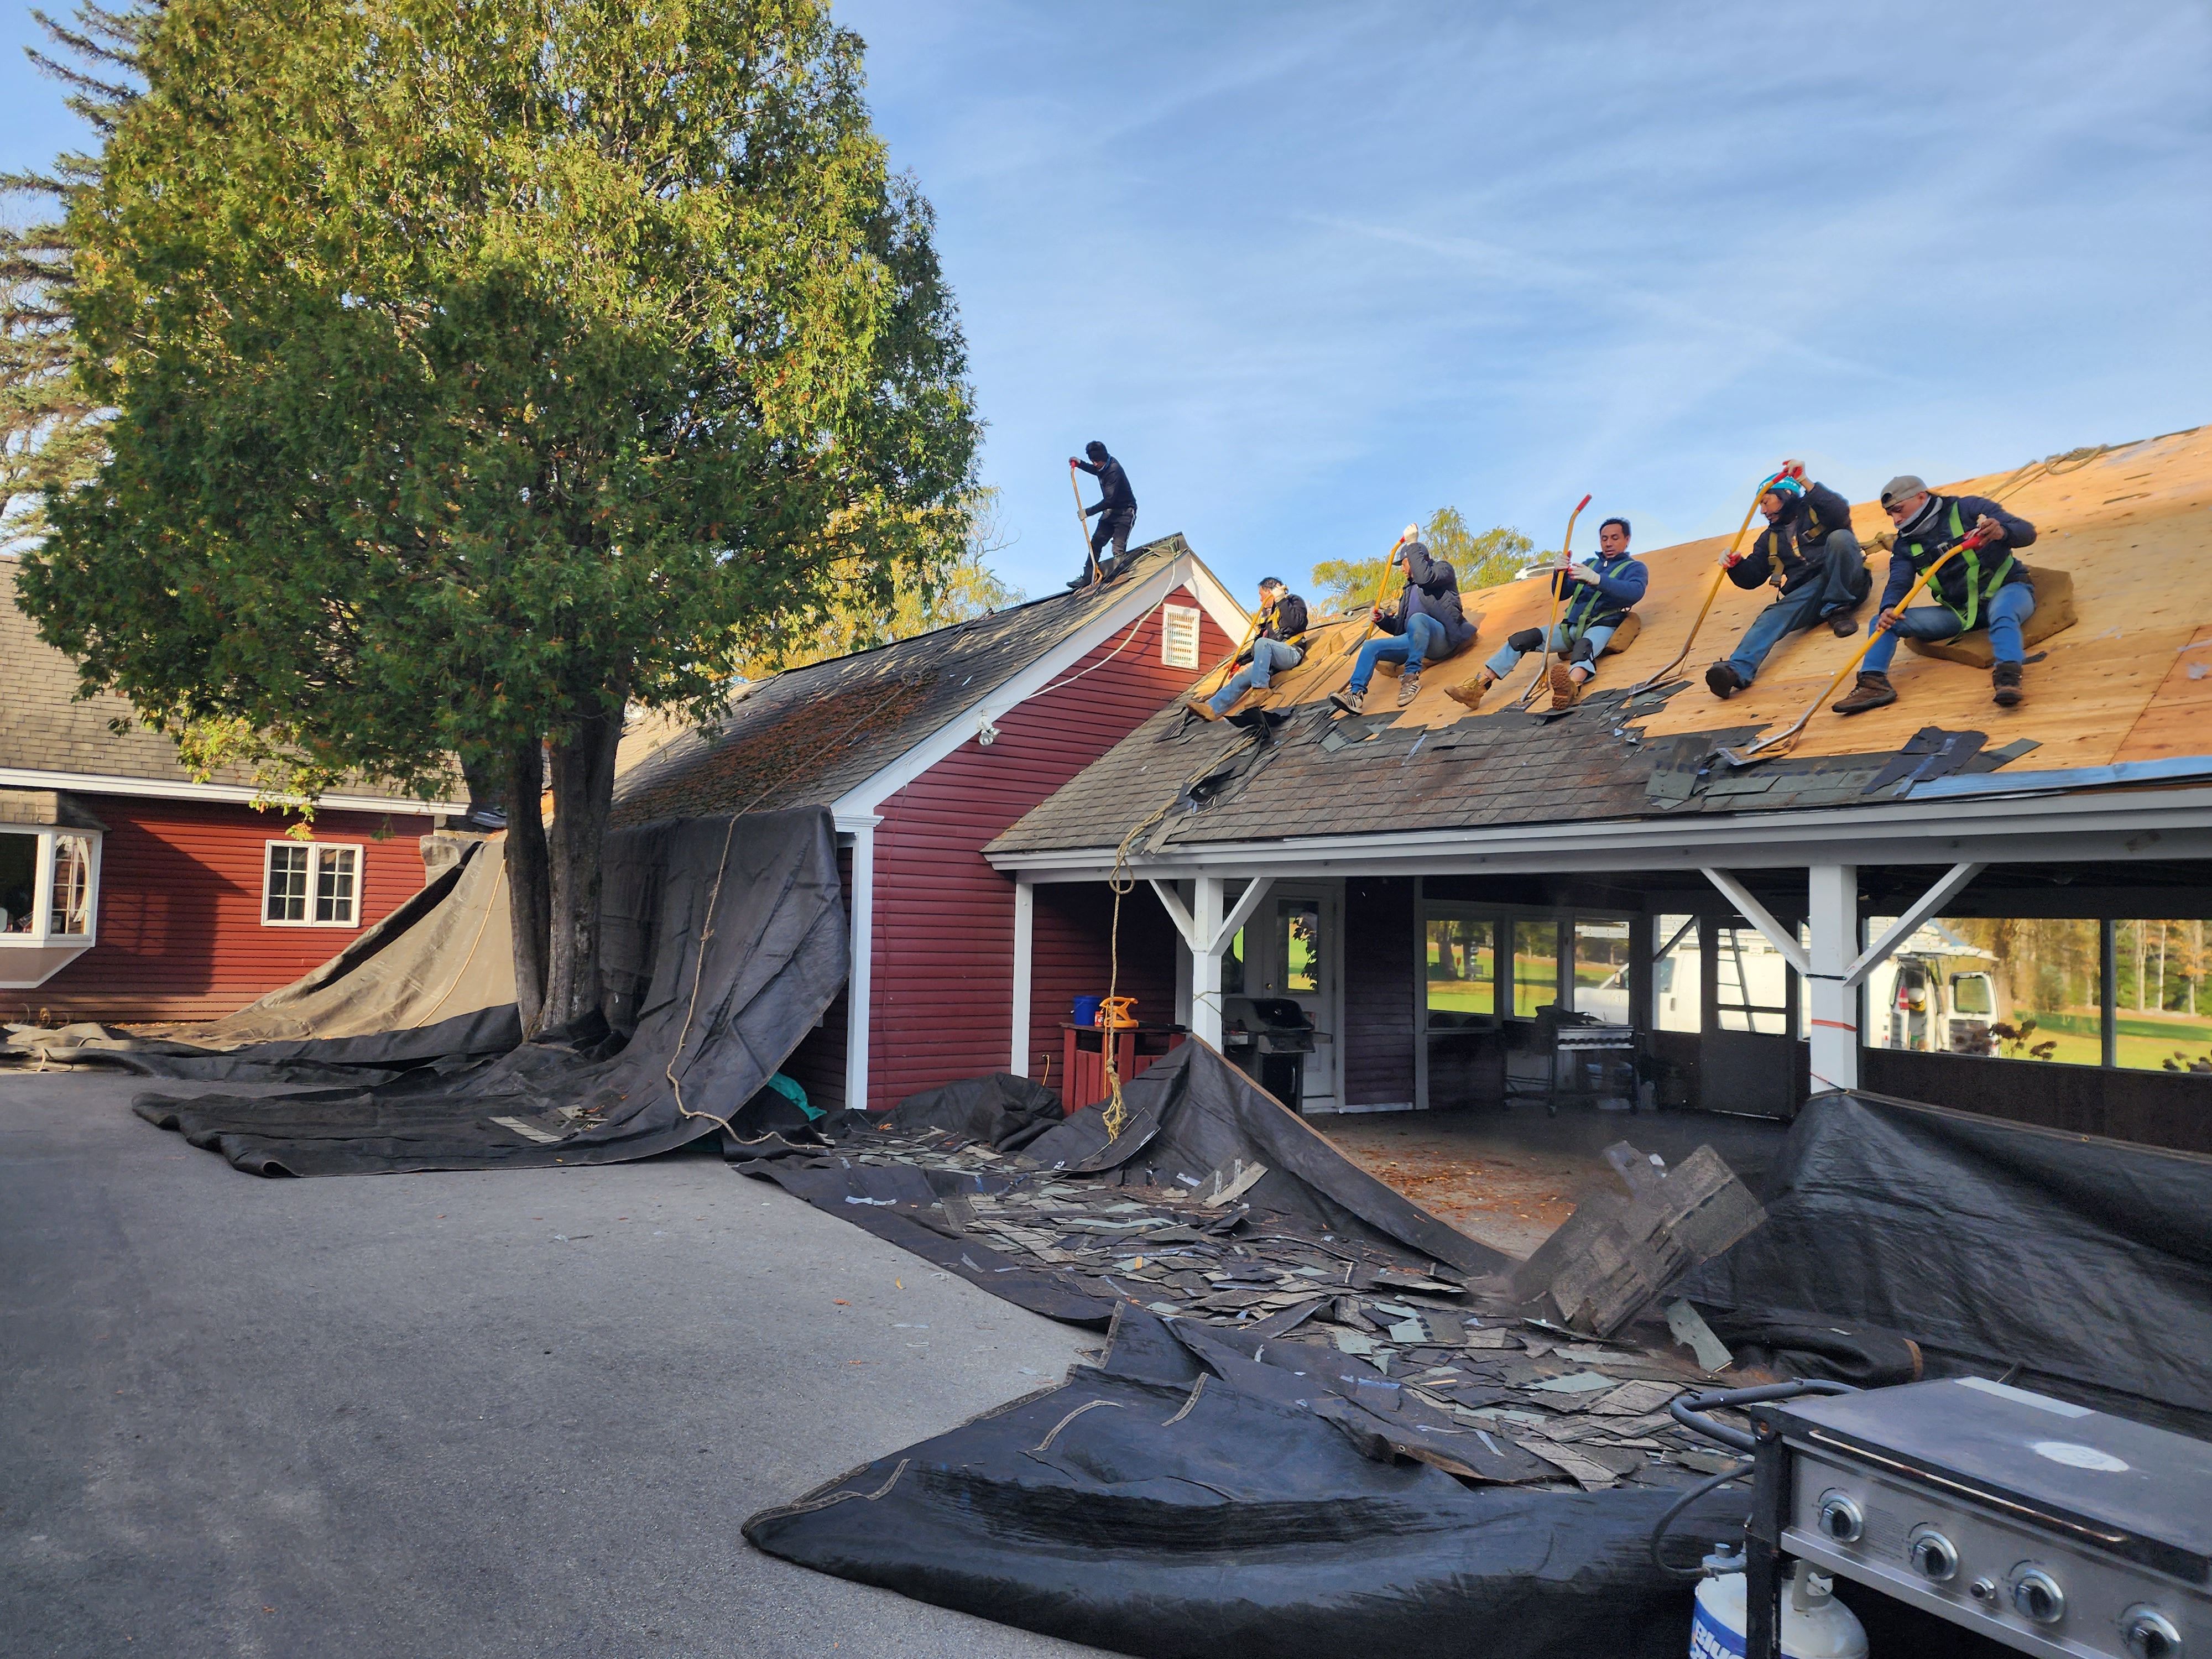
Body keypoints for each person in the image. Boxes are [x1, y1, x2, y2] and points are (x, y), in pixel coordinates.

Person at [1832, 475, 2037, 714]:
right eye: (1891, 515)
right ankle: (1873, 684)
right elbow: (1899, 581)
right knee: (1883, 623)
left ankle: (2008, 678)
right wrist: (1889, 608)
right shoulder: (1904, 545)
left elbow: (2027, 532)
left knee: (2002, 613)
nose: (1897, 520)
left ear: (1921, 497)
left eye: (1899, 510)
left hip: (2008, 590)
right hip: (1960, 613)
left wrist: (2003, 532)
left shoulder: (1969, 508)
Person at [1447, 516, 1646, 712]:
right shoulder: (1589, 564)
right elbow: (1560, 593)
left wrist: (1597, 580)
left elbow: (1634, 592)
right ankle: (1479, 687)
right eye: (1604, 538)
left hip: (1602, 625)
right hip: (1570, 627)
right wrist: (1559, 573)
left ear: (1627, 540)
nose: (1609, 543)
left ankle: (1571, 686)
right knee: (1521, 640)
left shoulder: (1634, 568)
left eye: (1615, 538)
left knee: (1584, 648)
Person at [1703, 470, 1870, 698]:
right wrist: (1737, 565)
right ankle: (1736, 670)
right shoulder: (1769, 539)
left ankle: (1838, 609)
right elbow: (1752, 578)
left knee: (1840, 538)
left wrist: (1805, 481)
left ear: (1786, 494)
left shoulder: (1818, 511)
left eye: (1765, 502)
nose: (1762, 511)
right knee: (1771, 616)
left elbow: (1840, 512)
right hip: (1810, 595)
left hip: (1848, 580)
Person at [1327, 537, 1476, 713]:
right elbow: (1400, 628)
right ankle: (1355, 695)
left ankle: (1411, 679)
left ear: (1415, 559)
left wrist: (1412, 544)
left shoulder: (1442, 571)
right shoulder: (1408, 591)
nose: (1403, 570)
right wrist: (1382, 619)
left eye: (1405, 564)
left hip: (1441, 639)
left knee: (1418, 619)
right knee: (1370, 646)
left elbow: (1425, 578)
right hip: (1414, 641)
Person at [1186, 577, 1310, 721]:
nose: (1260, 599)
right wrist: (1240, 661)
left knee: (1264, 643)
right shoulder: (1267, 616)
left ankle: (1261, 690)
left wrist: (1281, 600)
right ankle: (1212, 709)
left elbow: (1297, 624)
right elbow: (1257, 647)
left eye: (1261, 594)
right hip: (1272, 659)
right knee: (1242, 678)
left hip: (1291, 652)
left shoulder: (1292, 601)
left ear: (1270, 592)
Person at [1067, 441, 1137, 587]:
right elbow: (1096, 471)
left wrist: (1088, 512)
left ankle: (1120, 576)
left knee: (1117, 547)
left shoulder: (1114, 470)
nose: (1096, 465)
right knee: (1096, 544)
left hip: (1125, 512)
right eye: (1094, 462)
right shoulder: (1102, 465)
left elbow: (1109, 500)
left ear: (1102, 459)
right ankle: (1088, 577)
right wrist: (1080, 464)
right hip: (1110, 512)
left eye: (1096, 462)